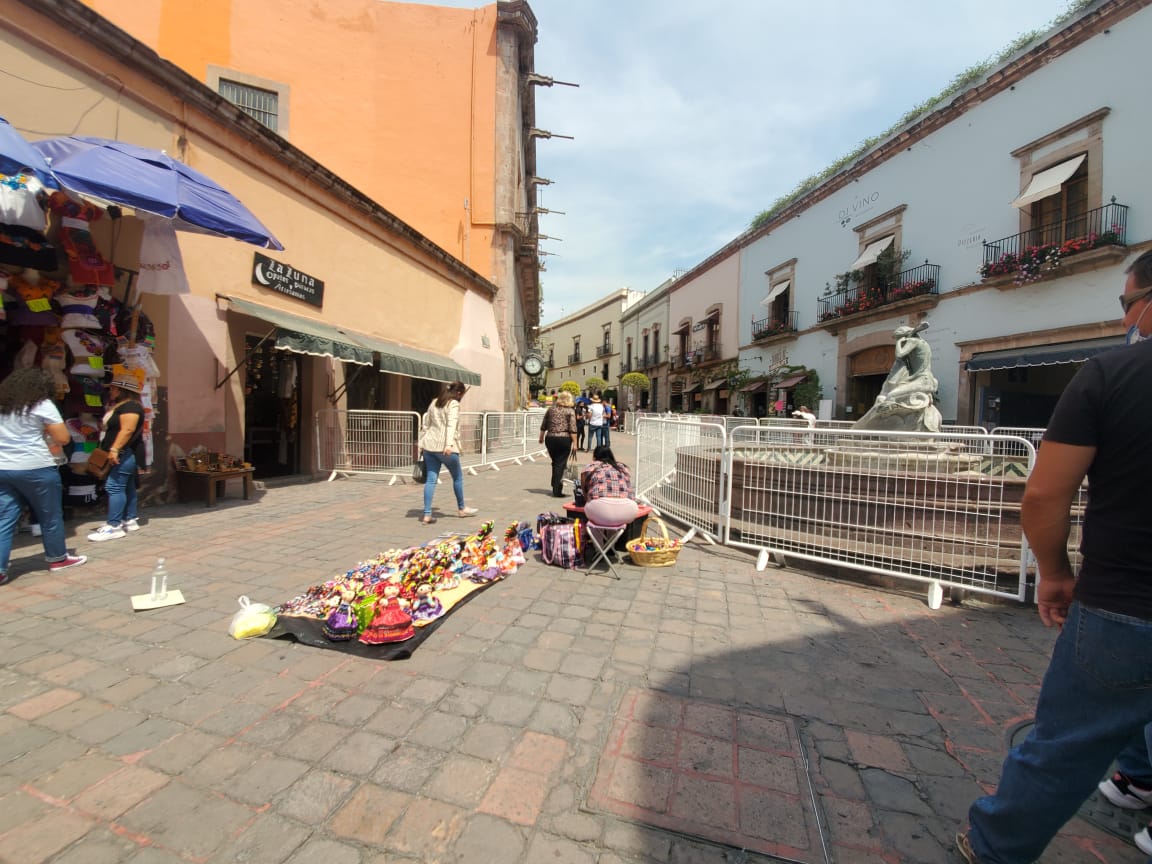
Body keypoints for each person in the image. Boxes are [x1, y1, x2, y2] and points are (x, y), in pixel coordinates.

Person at [958, 249, 1152, 863]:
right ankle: (1139, 777)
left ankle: (995, 848)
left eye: (1127, 303)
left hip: (1125, 602)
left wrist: (1055, 573)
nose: (1125, 318)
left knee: (1065, 743)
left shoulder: (1110, 374)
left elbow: (1044, 495)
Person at [0, 368, 87, 583]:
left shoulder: (3, 405)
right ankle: (58, 558)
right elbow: (63, 438)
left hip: (4, 467)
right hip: (36, 467)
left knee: (5, 518)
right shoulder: (42, 404)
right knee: (50, 515)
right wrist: (45, 431)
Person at [88, 369, 146, 541]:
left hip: (123, 453)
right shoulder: (124, 405)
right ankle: (129, 519)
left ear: (121, 390)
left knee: (114, 487)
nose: (110, 391)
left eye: (112, 388)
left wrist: (114, 449)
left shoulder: (131, 407)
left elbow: (127, 429)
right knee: (127, 486)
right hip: (123, 452)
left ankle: (114, 526)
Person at [417, 380, 478, 525]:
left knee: (431, 480)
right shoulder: (453, 404)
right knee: (457, 477)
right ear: (458, 393)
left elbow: (426, 424)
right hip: (445, 448)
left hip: (429, 446)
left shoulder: (434, 402)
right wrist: (448, 444)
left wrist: (422, 442)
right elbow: (451, 424)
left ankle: (427, 514)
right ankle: (462, 509)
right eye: (462, 394)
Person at [580, 444, 637, 527]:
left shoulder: (590, 467)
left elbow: (584, 491)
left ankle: (597, 536)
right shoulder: (622, 467)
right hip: (628, 510)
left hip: (599, 509)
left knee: (590, 512)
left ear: (594, 457)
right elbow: (628, 487)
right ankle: (615, 535)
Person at [538, 390, 577, 497]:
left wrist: (541, 437)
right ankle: (556, 489)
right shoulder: (570, 411)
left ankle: (554, 482)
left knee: (556, 462)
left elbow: (544, 425)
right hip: (564, 439)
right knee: (560, 463)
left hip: (550, 438)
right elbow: (573, 428)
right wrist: (575, 443)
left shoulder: (551, 409)